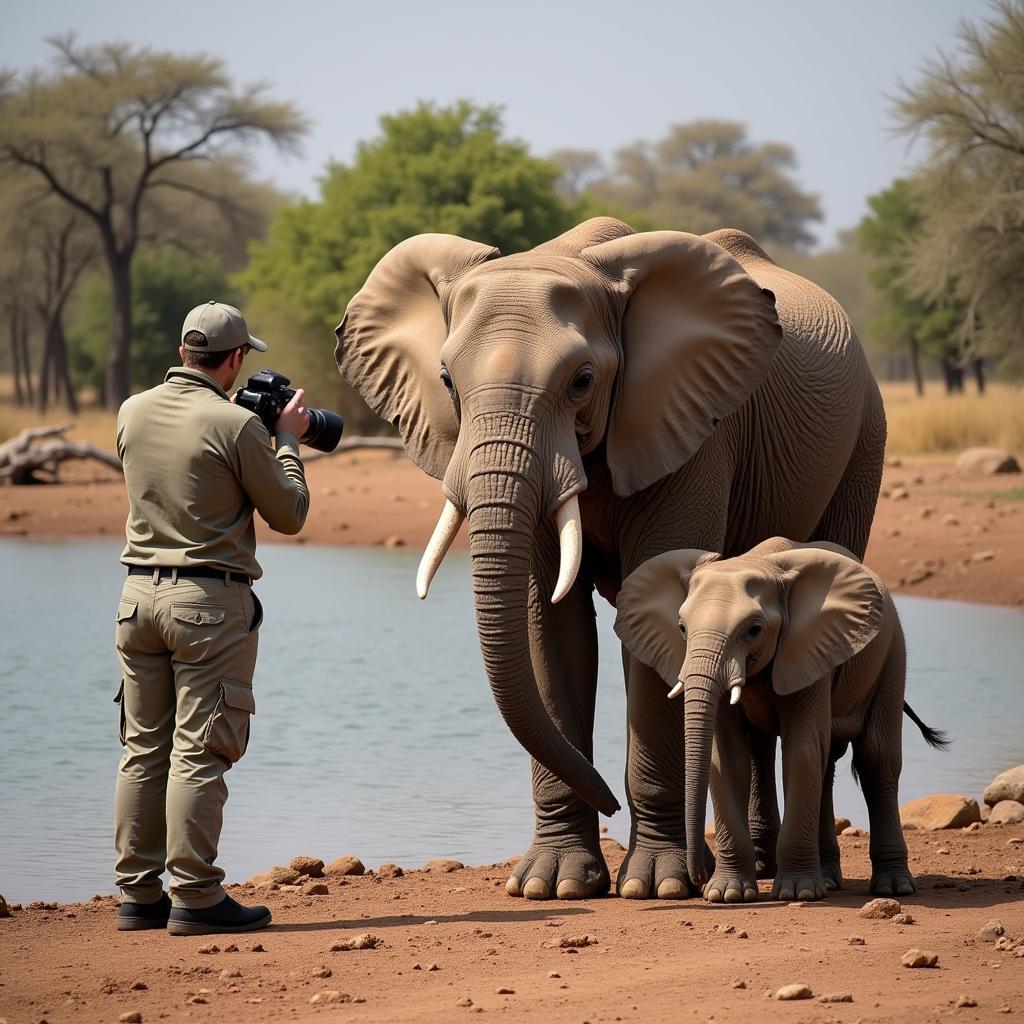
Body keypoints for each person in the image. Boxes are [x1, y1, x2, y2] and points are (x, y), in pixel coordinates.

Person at [113, 300, 310, 935]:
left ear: (182, 353)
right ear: (233, 360)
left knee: (144, 748)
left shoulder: (130, 413)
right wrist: (285, 442)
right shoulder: (235, 426)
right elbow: (289, 513)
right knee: (200, 752)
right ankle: (195, 896)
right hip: (207, 606)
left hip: (137, 599)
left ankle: (138, 896)